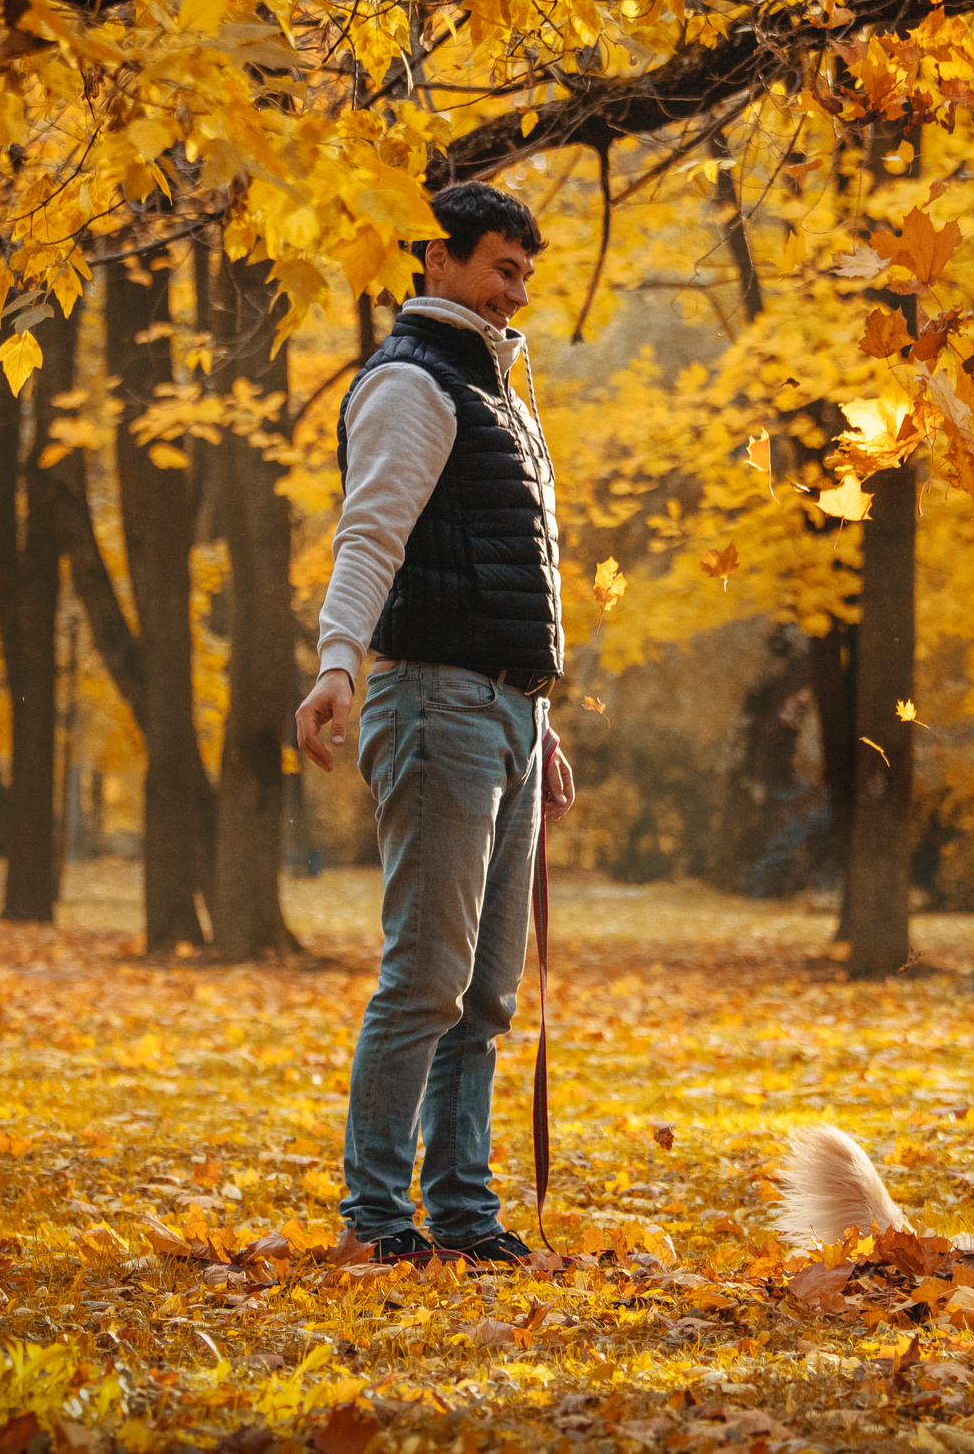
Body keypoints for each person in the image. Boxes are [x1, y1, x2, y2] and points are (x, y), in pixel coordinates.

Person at [293, 182, 578, 1265]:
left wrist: (537, 714)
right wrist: (337, 668)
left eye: (523, 274)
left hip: (502, 708)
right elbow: (369, 537)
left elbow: (515, 571)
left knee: (487, 991)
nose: (515, 293)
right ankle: (375, 1213)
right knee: (426, 977)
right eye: (500, 268)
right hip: (434, 703)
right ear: (437, 261)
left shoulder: (498, 392)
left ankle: (463, 1211)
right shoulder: (413, 383)